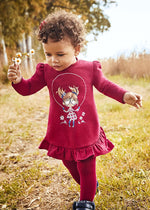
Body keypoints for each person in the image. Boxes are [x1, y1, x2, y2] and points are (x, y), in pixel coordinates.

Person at [7, 10, 142, 210]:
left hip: (86, 131)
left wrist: (124, 95)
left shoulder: (89, 69)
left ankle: (86, 202)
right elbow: (27, 89)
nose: (53, 60)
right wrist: (18, 80)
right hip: (61, 132)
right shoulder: (45, 71)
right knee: (69, 163)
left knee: (86, 166)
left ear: (77, 49)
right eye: (48, 54)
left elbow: (105, 85)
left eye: (60, 54)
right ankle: (90, 186)